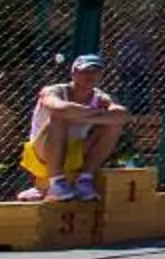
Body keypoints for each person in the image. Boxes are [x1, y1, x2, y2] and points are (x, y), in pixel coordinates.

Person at [20, 53, 131, 203]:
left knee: (113, 126)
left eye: (95, 71)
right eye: (84, 71)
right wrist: (98, 114)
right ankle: (56, 183)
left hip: (75, 153)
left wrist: (80, 114)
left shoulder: (101, 98)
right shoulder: (54, 90)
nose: (90, 76)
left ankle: (84, 180)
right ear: (73, 73)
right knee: (58, 118)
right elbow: (60, 109)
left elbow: (123, 115)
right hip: (41, 155)